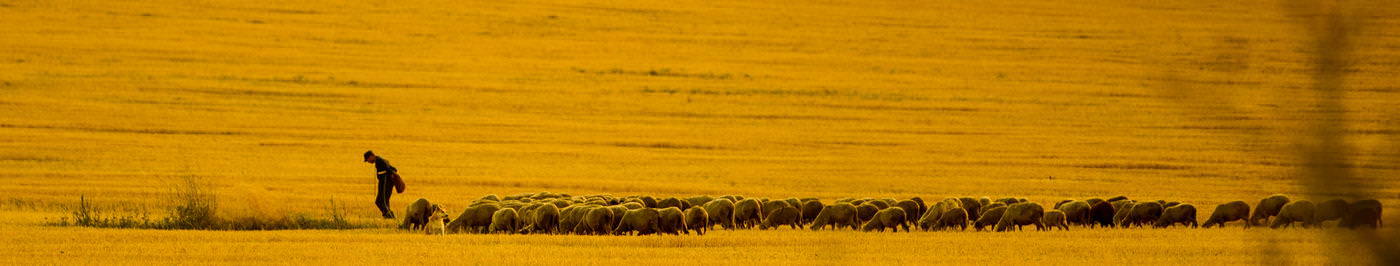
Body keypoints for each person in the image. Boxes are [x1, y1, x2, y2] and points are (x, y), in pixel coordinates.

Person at [364, 150, 398, 219]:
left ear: (371, 156)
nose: (368, 162)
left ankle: (390, 216)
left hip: (385, 183)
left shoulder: (379, 161)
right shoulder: (379, 160)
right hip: (383, 183)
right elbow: (392, 168)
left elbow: (390, 169)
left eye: (367, 160)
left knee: (382, 201)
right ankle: (388, 215)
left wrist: (390, 175)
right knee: (380, 201)